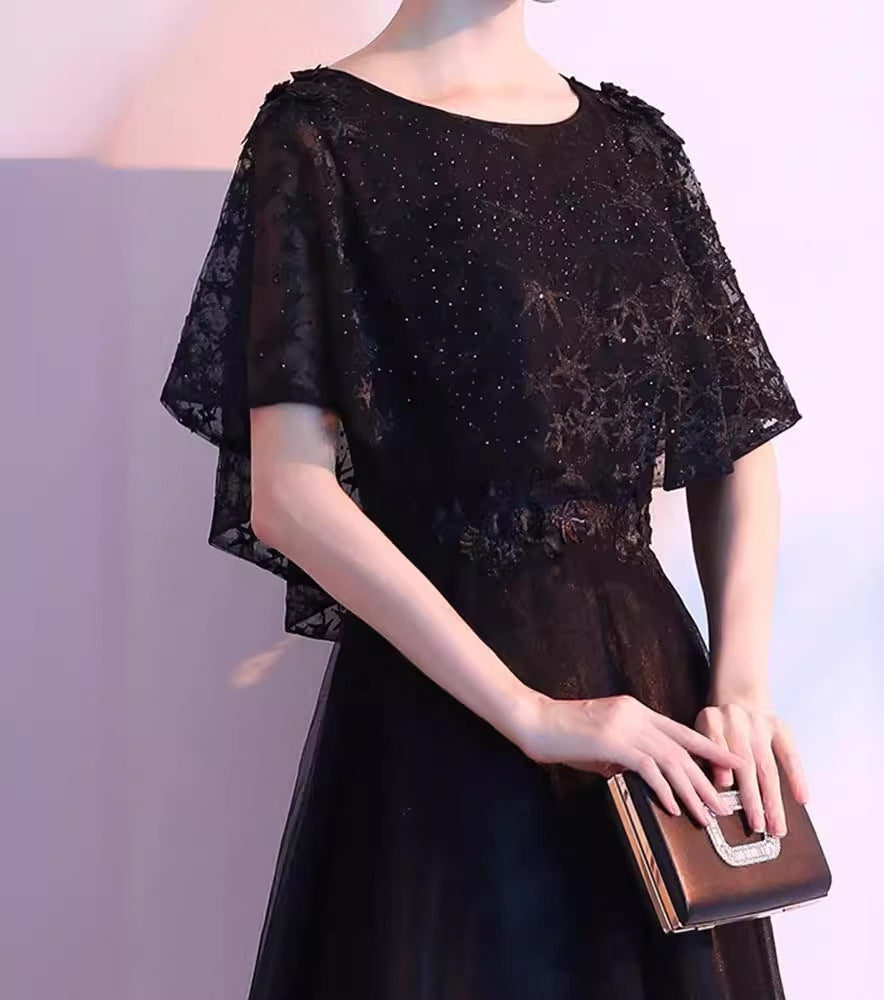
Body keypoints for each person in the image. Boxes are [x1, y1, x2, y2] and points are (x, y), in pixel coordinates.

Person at [160, 2, 811, 997]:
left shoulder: (633, 146)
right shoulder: (322, 137)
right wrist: (530, 713)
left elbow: (734, 439)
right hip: (450, 707)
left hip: (658, 704)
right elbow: (289, 495)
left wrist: (743, 688)